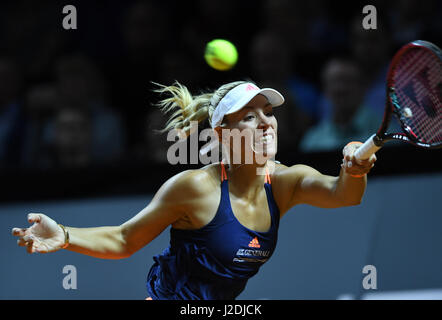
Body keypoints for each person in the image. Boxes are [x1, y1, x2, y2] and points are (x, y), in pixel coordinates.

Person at [12, 80, 376, 300]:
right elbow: (125, 239)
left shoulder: (285, 182)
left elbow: (344, 194)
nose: (266, 123)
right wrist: (64, 234)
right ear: (223, 134)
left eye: (267, 111)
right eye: (249, 117)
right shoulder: (193, 188)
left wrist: (353, 170)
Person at [301, 57, 380, 152]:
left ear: (363, 87)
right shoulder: (312, 141)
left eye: (348, 81)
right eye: (334, 82)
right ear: (325, 90)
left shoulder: (383, 132)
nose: (341, 89)